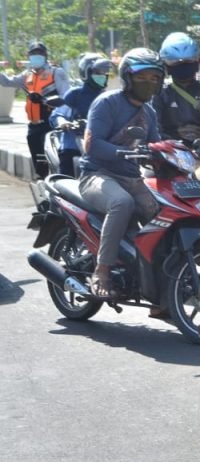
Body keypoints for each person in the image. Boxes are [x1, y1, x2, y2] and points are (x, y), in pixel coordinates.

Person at [77, 48, 163, 301]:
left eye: (154, 78)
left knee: (163, 212)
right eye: (142, 77)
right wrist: (122, 152)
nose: (149, 83)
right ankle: (102, 270)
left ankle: (158, 285)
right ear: (127, 77)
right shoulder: (106, 103)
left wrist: (173, 155)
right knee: (121, 203)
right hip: (97, 175)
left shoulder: (149, 113)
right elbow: (93, 145)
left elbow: (156, 146)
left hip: (132, 179)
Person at [0, 41, 70, 178]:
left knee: (54, 160)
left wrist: (44, 100)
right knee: (39, 164)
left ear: (45, 55)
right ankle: (42, 185)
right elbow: (8, 81)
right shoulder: (27, 74)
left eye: (39, 53)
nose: (36, 56)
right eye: (33, 54)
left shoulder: (56, 72)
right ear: (28, 56)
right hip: (34, 126)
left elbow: (66, 98)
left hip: (50, 124)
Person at [49, 54, 112, 176]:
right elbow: (58, 113)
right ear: (86, 73)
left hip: (98, 145)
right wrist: (62, 122)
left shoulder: (107, 97)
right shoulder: (75, 93)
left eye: (105, 72)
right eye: (98, 72)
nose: (103, 75)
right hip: (73, 145)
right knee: (66, 177)